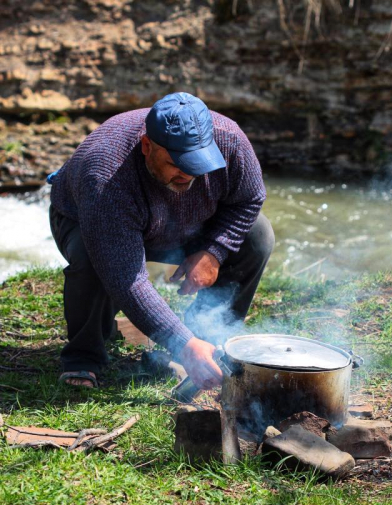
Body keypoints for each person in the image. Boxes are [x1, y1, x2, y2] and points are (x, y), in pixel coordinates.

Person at [49, 92, 275, 389]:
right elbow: (127, 278)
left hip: (186, 225)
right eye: (178, 163)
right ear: (147, 146)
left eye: (199, 162)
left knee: (258, 236)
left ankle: (205, 341)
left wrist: (214, 252)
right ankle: (83, 356)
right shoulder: (105, 174)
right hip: (88, 221)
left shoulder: (230, 139)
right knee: (93, 258)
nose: (189, 173)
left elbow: (249, 199)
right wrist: (181, 343)